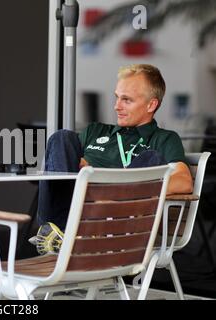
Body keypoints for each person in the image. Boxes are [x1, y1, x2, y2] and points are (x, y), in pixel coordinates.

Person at [34, 64, 193, 254]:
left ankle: (77, 236)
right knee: (61, 138)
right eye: (117, 97)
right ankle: (65, 233)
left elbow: (183, 182)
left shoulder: (163, 139)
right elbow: (66, 166)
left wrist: (113, 192)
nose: (117, 106)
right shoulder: (95, 131)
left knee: (151, 160)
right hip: (67, 215)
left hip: (115, 226)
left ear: (151, 105)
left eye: (126, 100)